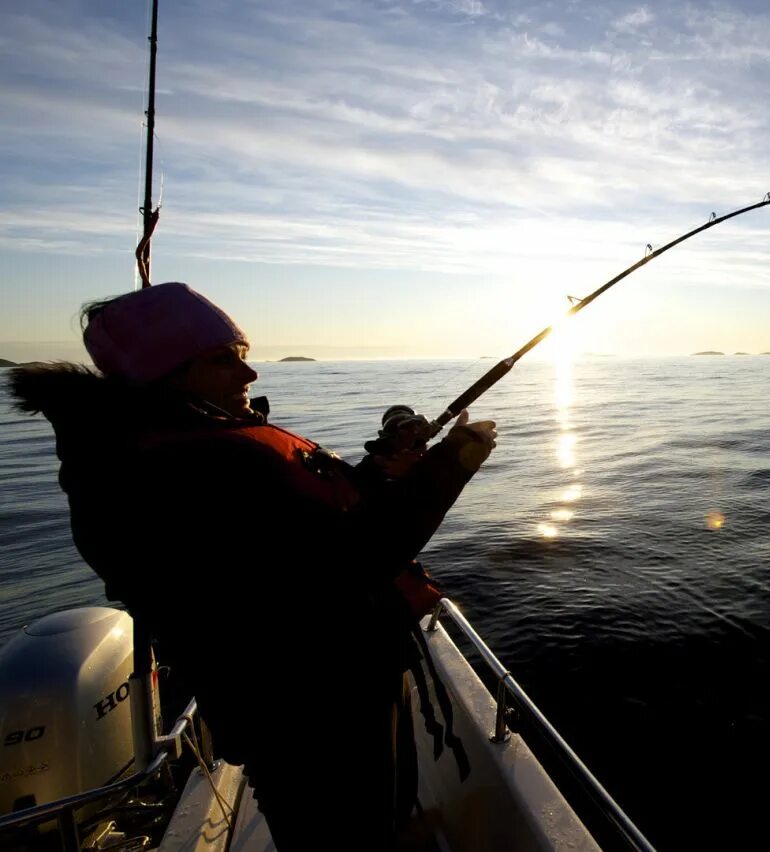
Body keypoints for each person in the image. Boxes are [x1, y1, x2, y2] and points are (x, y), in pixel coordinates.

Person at [8, 282, 497, 850]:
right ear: (162, 373)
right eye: (223, 359)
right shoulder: (175, 469)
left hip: (327, 686)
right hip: (306, 711)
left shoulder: (183, 441)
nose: (250, 373)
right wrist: (450, 464)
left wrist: (377, 472)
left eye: (242, 354)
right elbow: (347, 564)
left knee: (375, 817)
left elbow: (294, 532)